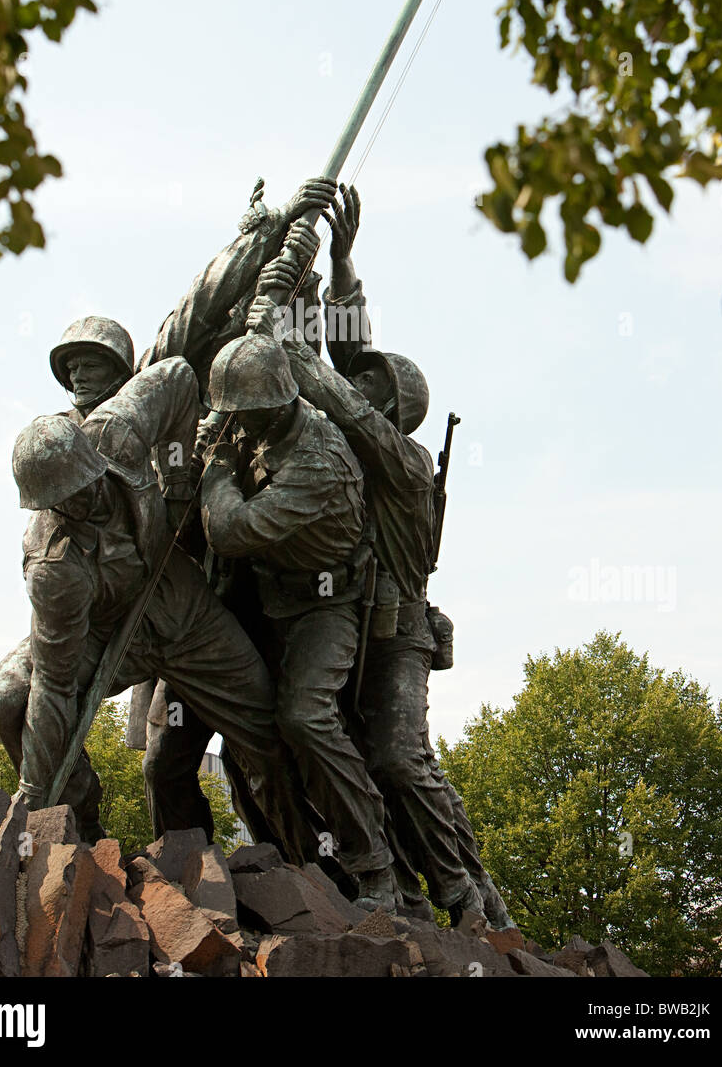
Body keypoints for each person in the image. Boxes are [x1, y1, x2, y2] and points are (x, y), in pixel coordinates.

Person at [245, 186, 513, 928]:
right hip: (359, 623)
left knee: (399, 760)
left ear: (389, 406)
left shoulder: (399, 457)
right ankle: (405, 883)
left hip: (399, 634)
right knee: (355, 754)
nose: (355, 381)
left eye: (370, 383)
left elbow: (332, 381)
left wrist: (286, 319)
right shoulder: (354, 446)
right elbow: (348, 359)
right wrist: (340, 262)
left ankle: (465, 890)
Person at [0, 357, 314, 861]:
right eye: (67, 500)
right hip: (107, 635)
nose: (86, 500)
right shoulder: (54, 568)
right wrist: (36, 796)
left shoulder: (116, 430)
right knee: (6, 696)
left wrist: (179, 482)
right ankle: (79, 824)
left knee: (266, 728)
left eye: (87, 483)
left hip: (185, 616)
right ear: (48, 504)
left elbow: (180, 377)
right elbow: (54, 686)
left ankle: (310, 863)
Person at [198, 333, 397, 911]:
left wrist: (215, 474)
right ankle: (296, 860)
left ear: (277, 401)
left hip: (323, 606)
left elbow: (231, 531)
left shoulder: (317, 458)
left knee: (305, 716)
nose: (236, 424)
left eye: (244, 415)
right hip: (265, 598)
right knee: (246, 737)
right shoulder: (258, 421)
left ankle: (373, 865)